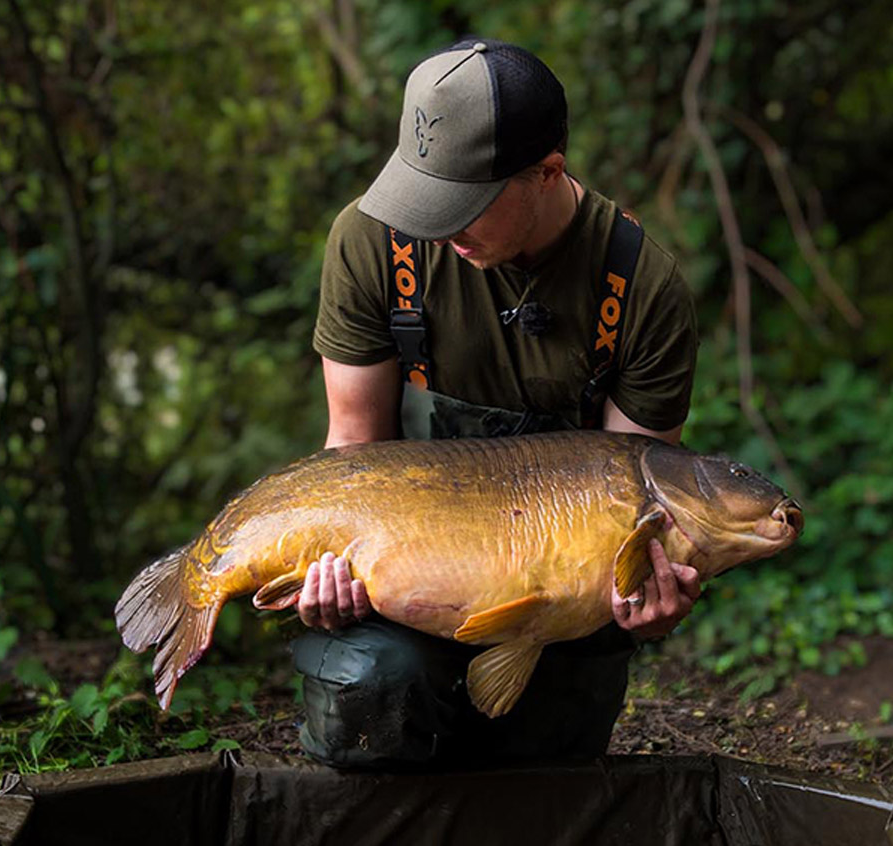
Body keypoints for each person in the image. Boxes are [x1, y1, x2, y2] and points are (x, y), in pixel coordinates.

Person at [294, 37, 702, 768]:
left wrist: (648, 602)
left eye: (463, 205)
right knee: (371, 699)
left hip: (555, 606)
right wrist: (332, 570)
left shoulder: (641, 289)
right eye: (424, 196)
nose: (439, 229)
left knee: (538, 777)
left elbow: (647, 506)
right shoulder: (369, 243)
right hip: (406, 583)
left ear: (548, 173)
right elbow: (351, 450)